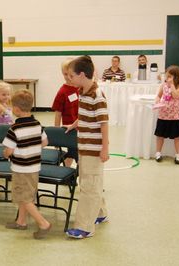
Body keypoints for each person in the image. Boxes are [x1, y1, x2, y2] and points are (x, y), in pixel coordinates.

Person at [65, 56, 109, 239]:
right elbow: (85, 116)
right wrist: (74, 124)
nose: (68, 79)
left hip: (93, 149)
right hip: (84, 147)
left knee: (89, 187)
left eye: (70, 75)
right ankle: (101, 212)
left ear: (82, 75)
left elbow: (104, 123)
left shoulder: (97, 96)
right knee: (90, 183)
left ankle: (85, 227)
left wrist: (105, 148)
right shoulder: (83, 91)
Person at [2, 89, 51, 239]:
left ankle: (43, 223)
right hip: (34, 167)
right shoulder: (37, 124)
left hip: (21, 169)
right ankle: (21, 221)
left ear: (16, 109)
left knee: (24, 198)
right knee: (26, 195)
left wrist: (5, 153)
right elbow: (45, 142)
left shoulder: (14, 129)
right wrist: (33, 147)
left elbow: (9, 151)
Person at [154, 65, 179, 164]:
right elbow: (158, 96)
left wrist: (171, 85)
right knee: (160, 136)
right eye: (167, 76)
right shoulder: (163, 86)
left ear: (175, 77)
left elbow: (176, 96)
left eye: (169, 77)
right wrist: (157, 102)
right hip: (163, 115)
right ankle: (158, 153)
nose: (167, 78)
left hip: (175, 116)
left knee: (177, 137)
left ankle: (178, 155)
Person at [51, 58, 79, 167]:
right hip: (70, 129)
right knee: (72, 153)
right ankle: (67, 173)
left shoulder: (80, 88)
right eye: (65, 74)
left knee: (77, 154)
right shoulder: (62, 92)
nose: (68, 77)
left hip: (81, 127)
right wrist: (56, 134)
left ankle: (74, 174)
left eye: (71, 74)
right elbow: (58, 114)